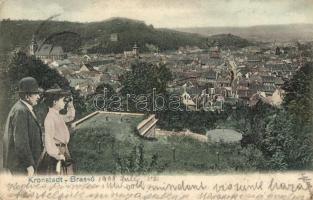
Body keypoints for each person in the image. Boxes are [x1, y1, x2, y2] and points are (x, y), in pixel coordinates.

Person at [2, 77, 43, 175]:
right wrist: (29, 165)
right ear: (27, 96)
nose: (38, 97)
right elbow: (21, 142)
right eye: (35, 94)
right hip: (21, 166)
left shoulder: (24, 108)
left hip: (23, 164)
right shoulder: (21, 111)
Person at [37, 85, 75, 175]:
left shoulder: (57, 115)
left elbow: (70, 117)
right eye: (62, 100)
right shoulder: (50, 118)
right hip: (55, 154)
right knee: (57, 176)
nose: (64, 102)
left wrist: (70, 106)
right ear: (54, 102)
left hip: (63, 150)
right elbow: (49, 140)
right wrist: (58, 155)